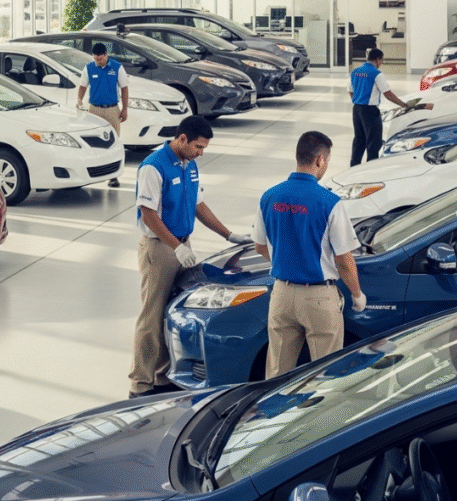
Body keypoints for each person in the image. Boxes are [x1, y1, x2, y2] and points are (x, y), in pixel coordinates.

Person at [129, 115, 252, 398]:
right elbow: (148, 215)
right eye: (198, 147)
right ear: (182, 138)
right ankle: (140, 383)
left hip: (182, 245)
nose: (201, 153)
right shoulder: (153, 167)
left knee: (172, 312)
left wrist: (229, 234)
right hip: (160, 249)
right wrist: (177, 247)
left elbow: (199, 205)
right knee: (152, 316)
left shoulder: (190, 165)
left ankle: (161, 377)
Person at [251, 131, 367, 379]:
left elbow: (260, 247)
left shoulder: (269, 196)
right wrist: (357, 294)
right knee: (326, 373)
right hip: (319, 299)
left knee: (277, 373)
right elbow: (344, 260)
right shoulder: (329, 202)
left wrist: (288, 261)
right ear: (320, 160)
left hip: (281, 295)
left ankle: (274, 405)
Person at [348, 48, 413, 166]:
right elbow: (388, 94)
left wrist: (358, 101)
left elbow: (350, 91)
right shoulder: (377, 74)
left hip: (356, 110)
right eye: (381, 60)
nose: (381, 63)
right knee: (374, 141)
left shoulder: (355, 72)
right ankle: (372, 167)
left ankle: (354, 166)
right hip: (370, 111)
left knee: (359, 139)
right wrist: (404, 105)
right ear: (377, 59)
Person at [76, 42, 129, 187]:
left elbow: (124, 88)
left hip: (112, 109)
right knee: (93, 142)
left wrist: (125, 109)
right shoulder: (89, 67)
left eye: (100, 59)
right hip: (95, 110)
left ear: (106, 55)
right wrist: (79, 99)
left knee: (114, 142)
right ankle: (95, 172)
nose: (98, 61)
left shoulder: (117, 67)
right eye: (95, 59)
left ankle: (114, 176)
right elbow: (82, 86)